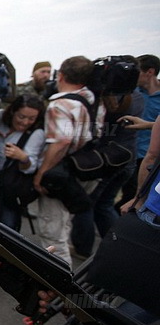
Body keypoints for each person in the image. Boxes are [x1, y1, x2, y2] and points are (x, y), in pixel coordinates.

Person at [49, 114, 160, 325]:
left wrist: (139, 199)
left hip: (151, 216)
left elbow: (153, 158)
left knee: (136, 294)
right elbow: (152, 157)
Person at [33, 56, 104, 266]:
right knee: (64, 223)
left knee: (52, 231)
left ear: (61, 75)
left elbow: (62, 140)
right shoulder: (93, 100)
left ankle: (59, 283)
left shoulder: (61, 104)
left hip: (61, 173)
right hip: (86, 167)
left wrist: (41, 173)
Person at [69, 88, 144, 258]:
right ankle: (120, 247)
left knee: (86, 204)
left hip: (106, 162)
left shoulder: (107, 99)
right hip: (126, 159)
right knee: (104, 205)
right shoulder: (137, 95)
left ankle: (83, 248)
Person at [0, 94, 46, 232]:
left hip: (9, 186)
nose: (25, 122)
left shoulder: (36, 133)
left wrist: (23, 157)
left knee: (8, 224)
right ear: (12, 111)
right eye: (21, 117)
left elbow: (30, 167)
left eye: (31, 119)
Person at [114, 54, 160, 211]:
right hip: (130, 154)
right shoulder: (132, 94)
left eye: (137, 71)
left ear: (150, 72)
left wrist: (148, 126)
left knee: (133, 202)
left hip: (149, 159)